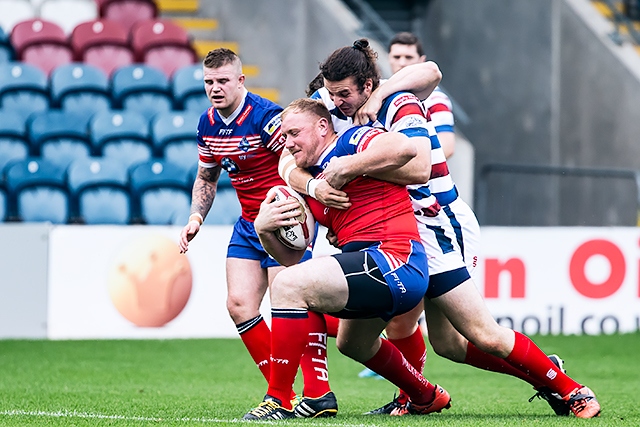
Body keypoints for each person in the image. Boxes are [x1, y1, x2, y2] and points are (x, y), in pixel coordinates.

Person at [283, 39, 601, 419]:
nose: (337, 102)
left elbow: (418, 168)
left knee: (478, 334)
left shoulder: (399, 105)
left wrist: (353, 165)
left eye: (345, 94)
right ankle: (420, 394)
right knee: (407, 342)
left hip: (436, 224)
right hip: (393, 229)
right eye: (332, 94)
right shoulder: (338, 107)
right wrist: (315, 187)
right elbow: (287, 159)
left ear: (368, 86)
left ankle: (568, 389)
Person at [243, 97, 452, 420]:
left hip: (397, 259)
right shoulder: (309, 181)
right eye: (284, 136)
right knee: (351, 344)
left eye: (295, 133)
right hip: (375, 269)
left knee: (471, 341)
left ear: (323, 126)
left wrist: (346, 167)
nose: (288, 143)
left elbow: (406, 148)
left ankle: (279, 399)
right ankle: (424, 394)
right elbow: (292, 256)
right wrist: (264, 230)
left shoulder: (352, 140)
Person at [177, 48, 338, 419]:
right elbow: (207, 176)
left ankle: (305, 393)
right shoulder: (207, 125)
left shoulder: (267, 118)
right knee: (239, 306)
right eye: (208, 82)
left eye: (222, 81)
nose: (215, 89)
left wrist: (306, 215)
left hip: (283, 219)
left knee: (291, 304)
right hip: (249, 222)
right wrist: (195, 218)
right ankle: (292, 389)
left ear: (240, 80)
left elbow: (298, 164)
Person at [386, 32, 456, 158]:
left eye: (408, 57)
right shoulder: (382, 93)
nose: (402, 63)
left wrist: (411, 169)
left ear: (421, 60)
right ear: (388, 58)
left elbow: (447, 146)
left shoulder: (435, 99)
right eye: (396, 57)